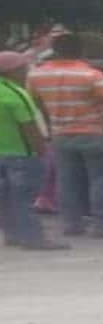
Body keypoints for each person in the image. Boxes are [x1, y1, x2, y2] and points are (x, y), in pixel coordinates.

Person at [27, 34, 103, 238]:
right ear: (81, 51)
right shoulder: (91, 75)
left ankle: (72, 224)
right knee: (100, 180)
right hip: (96, 133)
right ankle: (102, 225)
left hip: (60, 134)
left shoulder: (36, 75)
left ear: (54, 50)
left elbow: (35, 104)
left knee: (67, 181)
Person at [0, 51, 68, 251]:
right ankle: (33, 238)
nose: (27, 70)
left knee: (5, 198)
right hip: (23, 153)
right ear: (13, 70)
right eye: (24, 67)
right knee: (24, 198)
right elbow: (29, 125)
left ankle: (12, 234)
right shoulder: (16, 94)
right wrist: (42, 151)